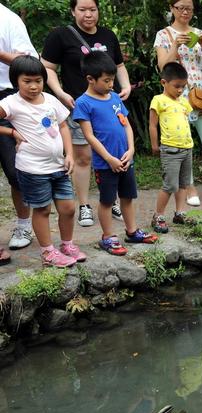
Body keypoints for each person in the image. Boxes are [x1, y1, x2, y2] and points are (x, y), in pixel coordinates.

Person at [41, 0, 133, 227]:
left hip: (108, 107)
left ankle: (111, 200)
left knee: (113, 152)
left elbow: (119, 66)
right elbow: (47, 67)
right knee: (83, 157)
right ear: (73, 11)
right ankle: (84, 205)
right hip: (78, 106)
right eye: (82, 10)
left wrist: (126, 86)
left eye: (92, 9)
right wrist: (60, 93)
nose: (88, 14)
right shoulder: (61, 35)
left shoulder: (108, 35)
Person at [0, 56, 86, 267]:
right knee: (42, 210)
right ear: (15, 81)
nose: (33, 86)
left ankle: (67, 245)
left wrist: (70, 155)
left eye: (38, 80)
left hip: (59, 165)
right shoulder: (11, 103)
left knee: (68, 208)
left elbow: (63, 126)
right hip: (32, 168)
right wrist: (11, 132)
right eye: (27, 81)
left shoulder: (50, 100)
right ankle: (48, 252)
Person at [73, 51, 156, 255]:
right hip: (105, 163)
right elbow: (89, 136)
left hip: (125, 159)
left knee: (127, 197)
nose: (111, 85)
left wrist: (131, 149)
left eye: (112, 80)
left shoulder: (114, 98)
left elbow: (126, 125)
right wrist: (108, 158)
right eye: (107, 80)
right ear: (90, 79)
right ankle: (108, 237)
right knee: (107, 201)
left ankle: (132, 231)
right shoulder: (83, 103)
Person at [154, 0, 202, 204]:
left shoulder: (199, 32)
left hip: (201, 96)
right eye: (180, 8)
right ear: (171, 8)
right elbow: (163, 66)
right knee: (184, 145)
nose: (185, 12)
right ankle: (189, 187)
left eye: (189, 8)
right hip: (177, 98)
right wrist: (176, 45)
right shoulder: (164, 35)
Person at [0, 3, 37, 262]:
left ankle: (24, 226)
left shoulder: (8, 19)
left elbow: (28, 63)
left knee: (15, 169)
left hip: (7, 97)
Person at [149, 62, 193, 234]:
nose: (180, 90)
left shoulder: (183, 101)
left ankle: (180, 213)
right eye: (176, 86)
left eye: (183, 86)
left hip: (187, 148)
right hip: (170, 150)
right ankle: (158, 216)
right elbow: (152, 125)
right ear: (163, 83)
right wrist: (154, 145)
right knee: (169, 185)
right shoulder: (158, 100)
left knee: (184, 184)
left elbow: (189, 118)